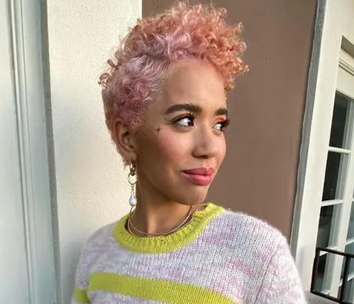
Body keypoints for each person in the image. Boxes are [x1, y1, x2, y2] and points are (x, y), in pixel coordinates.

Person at [71, 2, 306, 303]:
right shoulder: (96, 253)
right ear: (127, 138)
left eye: (220, 124)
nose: (210, 148)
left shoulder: (258, 256)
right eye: (185, 120)